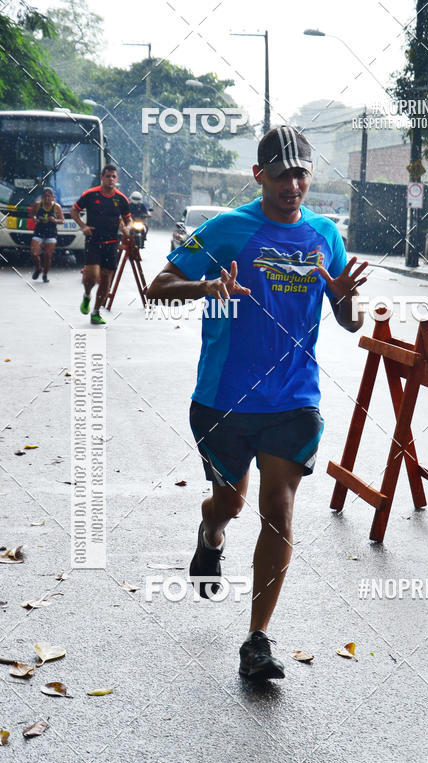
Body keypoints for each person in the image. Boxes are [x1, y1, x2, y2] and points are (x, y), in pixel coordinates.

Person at [147, 125, 367, 681]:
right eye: (281, 174)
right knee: (230, 503)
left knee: (280, 508)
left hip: (294, 398)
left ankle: (257, 639)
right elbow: (158, 285)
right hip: (224, 398)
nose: (292, 185)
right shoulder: (226, 229)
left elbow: (349, 320)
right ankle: (211, 534)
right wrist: (205, 288)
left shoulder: (325, 235)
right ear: (259, 174)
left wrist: (347, 303)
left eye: (301, 174)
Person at [69, 164, 132, 325]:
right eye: (108, 176)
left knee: (106, 279)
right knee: (92, 276)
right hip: (93, 241)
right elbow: (74, 211)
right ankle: (87, 295)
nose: (111, 179)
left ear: (117, 179)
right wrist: (83, 226)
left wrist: (127, 228)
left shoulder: (121, 199)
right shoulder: (90, 194)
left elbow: (128, 219)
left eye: (113, 177)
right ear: (101, 178)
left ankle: (96, 312)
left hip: (112, 243)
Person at [30, 187, 64, 283]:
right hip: (39, 232)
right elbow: (32, 214)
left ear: (53, 197)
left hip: (51, 234)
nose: (47, 198)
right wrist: (35, 219)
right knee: (34, 254)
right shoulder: (37, 205)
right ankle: (38, 268)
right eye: (45, 196)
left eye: (49, 196)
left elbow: (62, 220)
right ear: (42, 197)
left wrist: (55, 220)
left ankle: (45, 274)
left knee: (48, 255)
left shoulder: (56, 207)